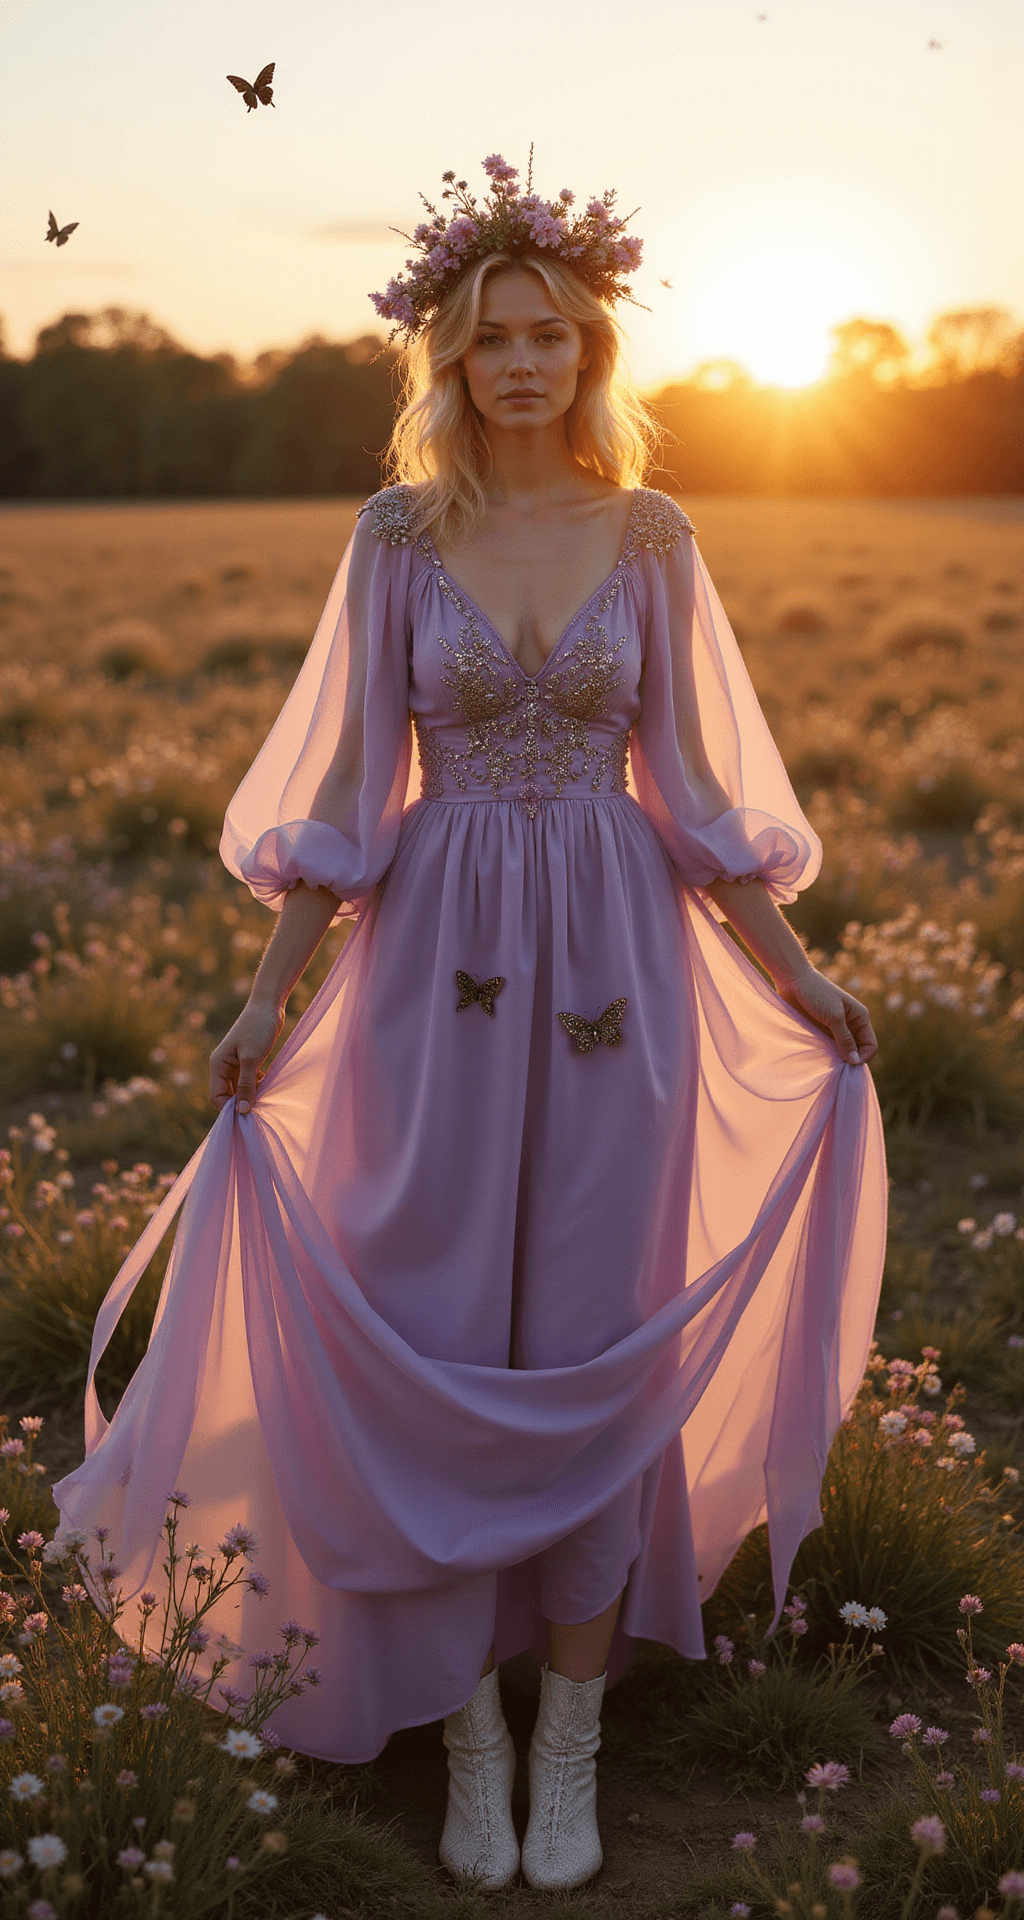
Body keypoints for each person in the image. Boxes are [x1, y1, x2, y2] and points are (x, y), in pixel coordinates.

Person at [54, 155, 885, 1895]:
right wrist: (265, 997)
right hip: (432, 962)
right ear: (448, 354)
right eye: (494, 337)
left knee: (596, 1331)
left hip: (617, 969)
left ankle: (570, 1742)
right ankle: (466, 1726)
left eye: (554, 338)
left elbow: (697, 793)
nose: (524, 365)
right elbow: (356, 788)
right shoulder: (392, 538)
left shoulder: (653, 536)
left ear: (592, 358)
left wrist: (795, 973)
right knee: (431, 1328)